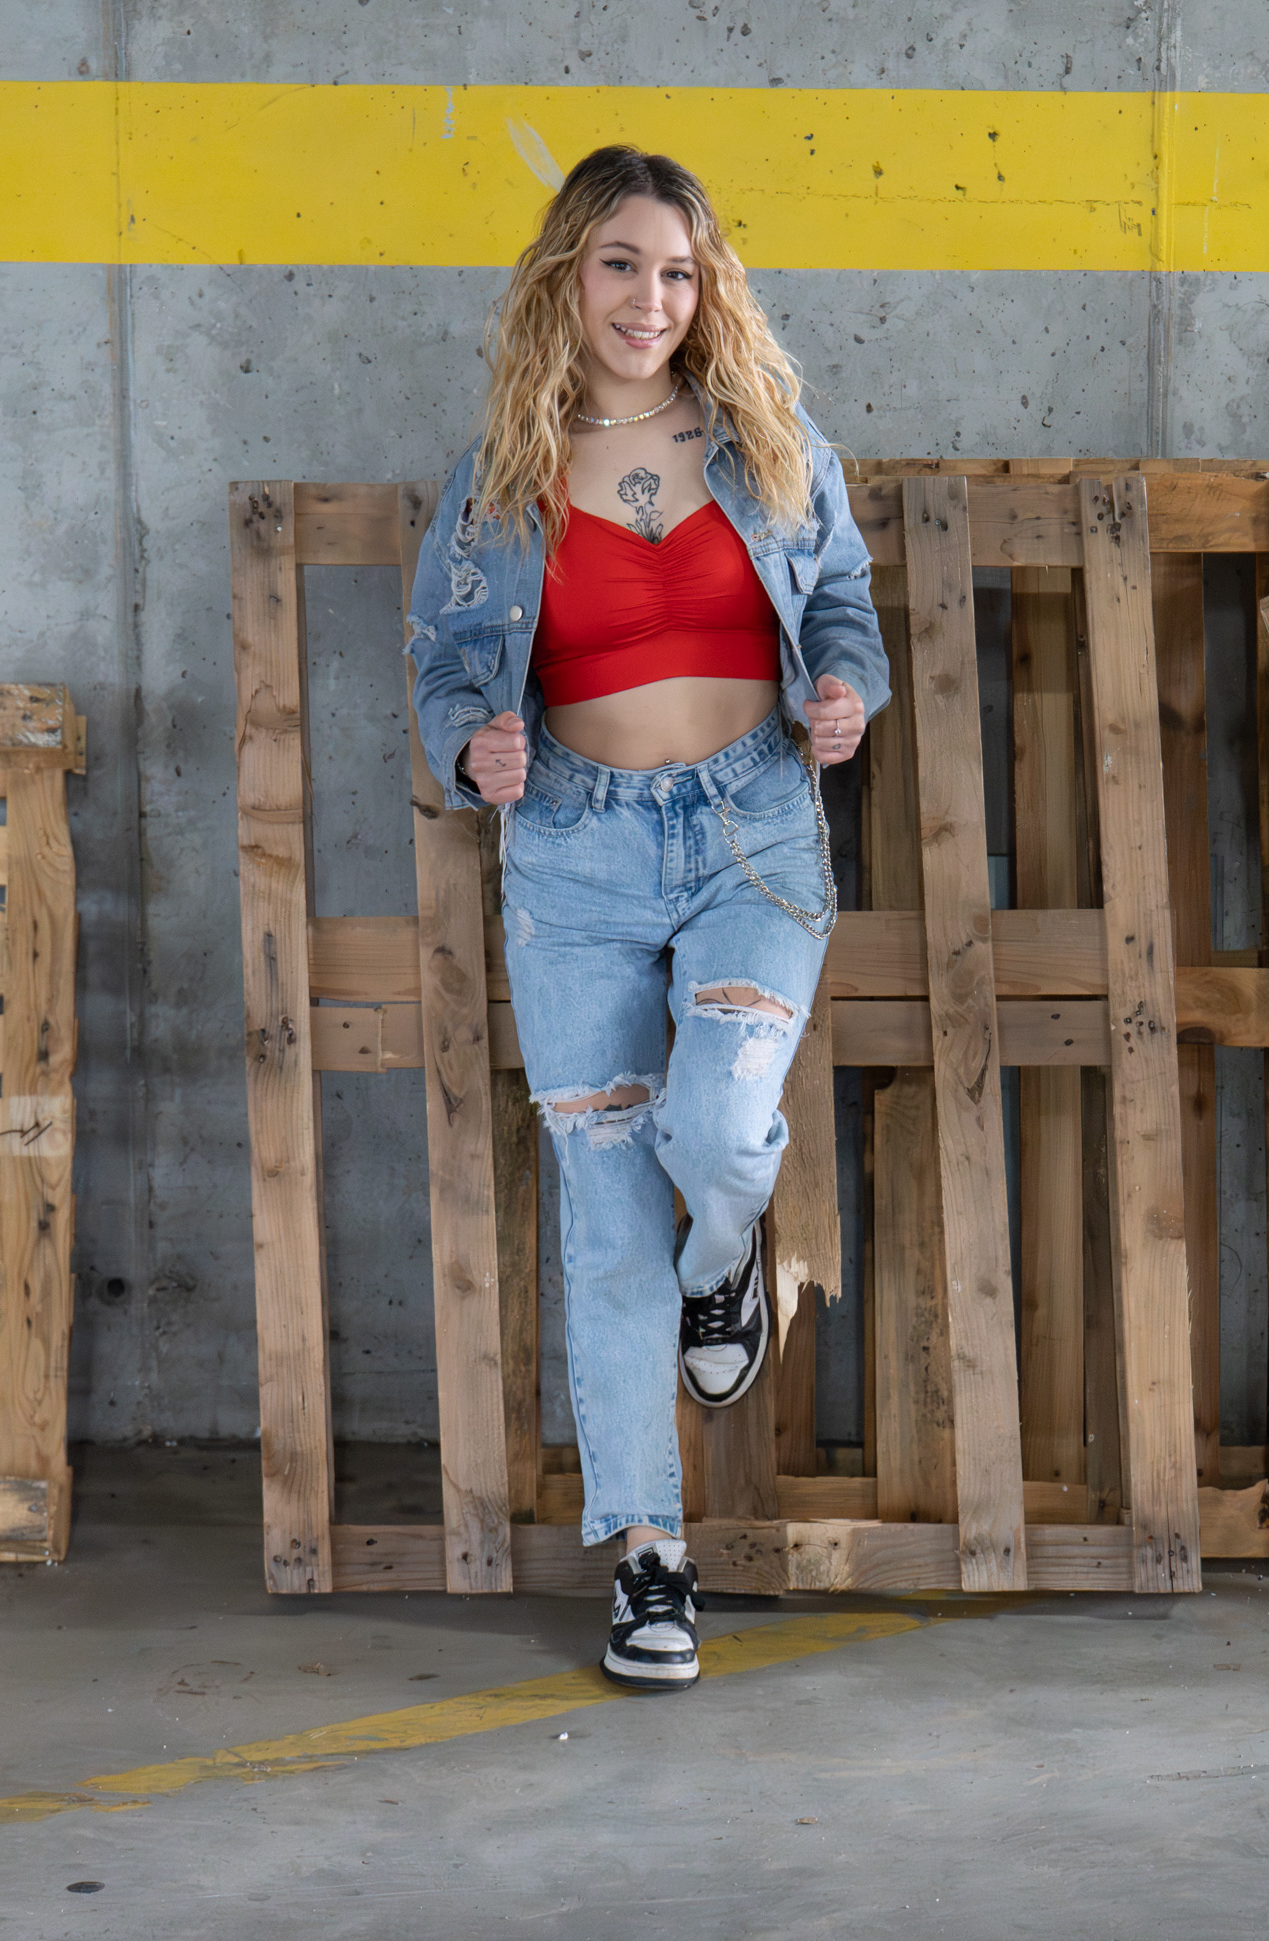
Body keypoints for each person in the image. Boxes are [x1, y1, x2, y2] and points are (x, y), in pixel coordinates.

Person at [407, 145, 888, 1690]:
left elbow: (842, 600)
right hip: (576, 854)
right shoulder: (503, 469)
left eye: (678, 271)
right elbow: (444, 659)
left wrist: (843, 684)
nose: (650, 297)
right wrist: (470, 743)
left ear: (707, 288)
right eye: (621, 263)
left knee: (724, 1126)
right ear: (569, 274)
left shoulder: (766, 438)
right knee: (608, 1221)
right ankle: (648, 1561)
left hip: (751, 829)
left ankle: (727, 1248)